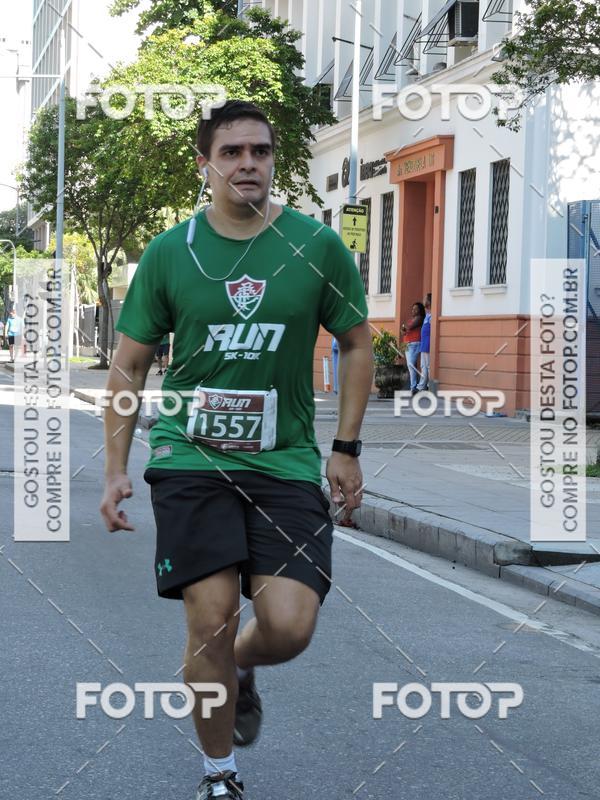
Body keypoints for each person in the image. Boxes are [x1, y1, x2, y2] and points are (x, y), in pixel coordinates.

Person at [100, 100, 373, 800]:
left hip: (281, 463)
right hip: (192, 459)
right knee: (210, 616)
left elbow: (356, 343)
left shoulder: (316, 246)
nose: (247, 162)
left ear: (273, 160)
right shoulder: (170, 252)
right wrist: (115, 470)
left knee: (289, 625)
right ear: (206, 164)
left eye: (259, 150)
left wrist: (345, 447)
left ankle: (240, 666)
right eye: (231, 152)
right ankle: (220, 772)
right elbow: (128, 366)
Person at [400, 301, 425, 394]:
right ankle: (413, 386)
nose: (413, 310)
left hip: (414, 343)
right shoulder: (413, 318)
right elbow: (404, 332)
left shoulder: (419, 318)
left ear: (420, 310)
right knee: (411, 365)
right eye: (413, 309)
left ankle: (413, 387)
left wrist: (404, 328)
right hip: (408, 344)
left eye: (416, 309)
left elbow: (407, 328)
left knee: (411, 365)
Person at [417, 293, 431, 392]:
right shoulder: (427, 315)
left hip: (428, 345)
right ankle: (421, 386)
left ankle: (429, 386)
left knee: (429, 366)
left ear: (429, 301)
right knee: (423, 366)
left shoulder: (432, 316)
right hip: (423, 345)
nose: (423, 301)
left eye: (425, 299)